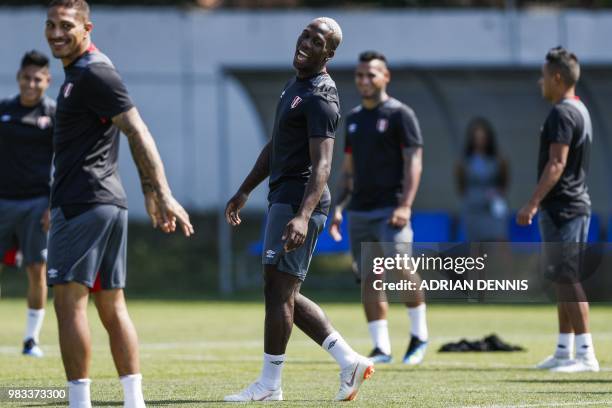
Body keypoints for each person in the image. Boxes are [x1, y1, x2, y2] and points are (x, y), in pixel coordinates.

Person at [44, 1, 194, 407]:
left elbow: (137, 129)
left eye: (67, 26)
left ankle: (79, 403)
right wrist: (147, 191)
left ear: (87, 27)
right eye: (51, 25)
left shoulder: (95, 73)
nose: (57, 33)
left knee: (68, 305)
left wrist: (161, 191)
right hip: (105, 202)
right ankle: (133, 401)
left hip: (83, 203)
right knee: (111, 306)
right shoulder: (82, 71)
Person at [225, 17, 374, 402]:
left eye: (317, 40)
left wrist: (303, 215)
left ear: (330, 53)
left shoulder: (321, 96)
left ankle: (270, 385)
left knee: (279, 292)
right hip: (283, 200)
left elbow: (324, 164)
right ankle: (348, 360)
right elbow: (276, 146)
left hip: (298, 202)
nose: (306, 42)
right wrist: (244, 190)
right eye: (305, 35)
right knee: (280, 290)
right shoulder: (296, 85)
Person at [329, 51, 428, 365]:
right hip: (359, 211)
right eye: (359, 75)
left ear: (386, 77)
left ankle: (419, 336)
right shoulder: (355, 119)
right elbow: (349, 169)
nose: (364, 80)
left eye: (371, 74)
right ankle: (381, 348)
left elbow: (415, 162)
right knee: (369, 278)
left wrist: (405, 205)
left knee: (401, 266)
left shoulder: (401, 115)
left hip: (391, 209)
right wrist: (340, 206)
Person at [517, 46, 598, 372]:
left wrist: (532, 202)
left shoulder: (563, 113)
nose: (541, 82)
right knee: (561, 278)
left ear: (558, 77)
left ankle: (586, 354)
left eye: (544, 76)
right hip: (568, 207)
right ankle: (565, 350)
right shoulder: (580, 109)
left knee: (568, 277)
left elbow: (557, 162)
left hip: (565, 207)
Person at [0, 50, 55, 358]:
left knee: (36, 270)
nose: (31, 84)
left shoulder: (54, 115)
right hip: (2, 201)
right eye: (26, 78)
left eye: (37, 79)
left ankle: (31, 340)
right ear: (18, 78)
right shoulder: (4, 110)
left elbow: (66, 162)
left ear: (47, 81)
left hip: (37, 204)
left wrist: (53, 204)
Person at [456, 118, 509, 242]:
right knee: (475, 243)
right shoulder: (464, 161)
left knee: (498, 238)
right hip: (473, 206)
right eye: (476, 138)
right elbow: (460, 184)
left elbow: (504, 180)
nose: (480, 141)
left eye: (482, 138)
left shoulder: (499, 159)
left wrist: (496, 194)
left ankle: (498, 261)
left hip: (493, 206)